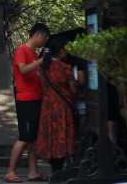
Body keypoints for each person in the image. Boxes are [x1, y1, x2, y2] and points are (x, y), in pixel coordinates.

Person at [4, 23, 51, 183]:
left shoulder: (33, 53)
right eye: (44, 38)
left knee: (33, 138)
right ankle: (10, 171)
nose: (44, 41)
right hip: (26, 99)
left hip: (36, 98)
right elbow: (23, 70)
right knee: (24, 137)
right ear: (38, 35)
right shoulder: (21, 50)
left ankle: (33, 172)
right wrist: (39, 62)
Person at [35, 37, 77, 175]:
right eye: (65, 48)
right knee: (61, 134)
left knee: (50, 135)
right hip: (62, 106)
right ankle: (60, 168)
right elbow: (73, 89)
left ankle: (54, 169)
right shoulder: (66, 68)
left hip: (47, 106)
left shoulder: (42, 67)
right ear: (60, 51)